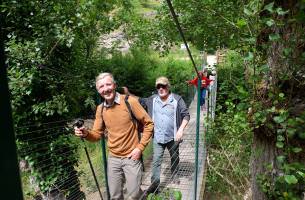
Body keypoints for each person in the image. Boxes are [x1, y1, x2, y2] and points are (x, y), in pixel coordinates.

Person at [74, 72, 154, 200]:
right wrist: (86, 133)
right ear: (98, 90)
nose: (105, 89)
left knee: (133, 195)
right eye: (101, 87)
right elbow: (96, 135)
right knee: (115, 196)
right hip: (113, 159)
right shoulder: (100, 109)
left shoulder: (130, 102)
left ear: (115, 85)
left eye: (108, 84)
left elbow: (149, 124)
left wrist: (140, 148)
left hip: (132, 157)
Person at [143, 76, 190, 194]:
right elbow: (139, 101)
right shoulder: (152, 99)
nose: (161, 88)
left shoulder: (177, 99)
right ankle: (155, 185)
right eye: (158, 86)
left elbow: (186, 115)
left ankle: (175, 175)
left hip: (173, 137)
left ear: (168, 87)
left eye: (163, 86)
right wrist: (126, 94)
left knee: (174, 157)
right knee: (156, 160)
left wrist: (180, 130)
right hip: (158, 137)